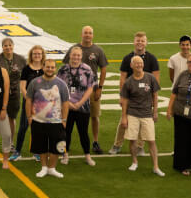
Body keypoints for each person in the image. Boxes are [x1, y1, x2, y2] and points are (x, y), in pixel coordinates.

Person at [109, 32, 160, 155]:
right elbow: (122, 78)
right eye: (138, 40)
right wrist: (122, 96)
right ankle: (117, 144)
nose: (140, 43)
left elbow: (156, 80)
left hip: (145, 98)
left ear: (146, 43)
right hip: (130, 96)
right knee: (123, 121)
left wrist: (154, 100)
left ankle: (139, 146)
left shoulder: (152, 59)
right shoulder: (127, 58)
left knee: (143, 122)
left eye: (142, 41)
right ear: (134, 42)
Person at [119, 55, 164, 176]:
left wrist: (155, 111)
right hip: (132, 113)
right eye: (136, 63)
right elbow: (125, 101)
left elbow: (155, 95)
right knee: (132, 140)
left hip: (146, 114)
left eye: (141, 63)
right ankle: (134, 161)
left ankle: (156, 166)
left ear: (143, 65)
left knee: (151, 141)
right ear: (131, 66)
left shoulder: (150, 78)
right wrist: (124, 117)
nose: (139, 65)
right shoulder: (128, 82)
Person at [25, 57, 70, 178]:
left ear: (55, 68)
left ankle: (52, 168)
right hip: (38, 121)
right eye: (47, 67)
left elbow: (65, 103)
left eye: (52, 67)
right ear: (43, 67)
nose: (50, 69)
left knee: (57, 146)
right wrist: (29, 116)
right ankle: (44, 168)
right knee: (42, 146)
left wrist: (64, 119)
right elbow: (28, 100)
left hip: (56, 121)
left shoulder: (61, 84)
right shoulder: (34, 82)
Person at [69, 25, 108, 154]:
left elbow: (103, 69)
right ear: (81, 34)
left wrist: (100, 88)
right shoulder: (74, 49)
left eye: (90, 33)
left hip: (92, 87)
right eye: (85, 33)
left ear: (92, 35)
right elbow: (66, 66)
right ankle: (66, 144)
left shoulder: (98, 50)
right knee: (71, 116)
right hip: (75, 90)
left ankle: (95, 141)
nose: (87, 35)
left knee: (95, 115)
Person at [57, 46, 97, 166]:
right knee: (65, 132)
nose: (76, 57)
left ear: (81, 56)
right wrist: (68, 103)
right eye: (74, 55)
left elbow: (90, 88)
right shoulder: (63, 69)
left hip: (83, 106)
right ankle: (65, 155)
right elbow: (58, 87)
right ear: (70, 55)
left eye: (78, 55)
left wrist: (80, 103)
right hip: (66, 106)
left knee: (83, 132)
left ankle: (87, 156)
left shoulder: (87, 69)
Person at [0, 37, 27, 160]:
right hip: (0, 92)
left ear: (13, 46)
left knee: (12, 117)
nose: (8, 47)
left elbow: (26, 74)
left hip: (14, 93)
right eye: (5, 45)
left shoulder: (20, 59)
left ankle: (11, 142)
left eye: (10, 45)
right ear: (2, 47)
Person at [15, 44, 46, 161]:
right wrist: (28, 99)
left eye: (39, 54)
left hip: (41, 104)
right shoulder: (26, 69)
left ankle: (37, 152)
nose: (37, 56)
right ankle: (17, 151)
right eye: (35, 54)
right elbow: (22, 86)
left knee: (38, 128)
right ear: (31, 56)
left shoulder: (45, 68)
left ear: (42, 55)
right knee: (23, 126)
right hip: (28, 102)